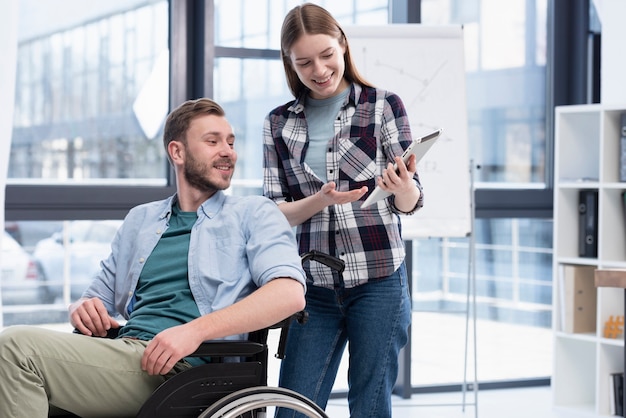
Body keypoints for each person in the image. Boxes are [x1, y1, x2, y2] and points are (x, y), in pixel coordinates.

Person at [0, 98, 307, 417]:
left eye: (230, 142)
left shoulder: (254, 213)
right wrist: (81, 308)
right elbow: (95, 298)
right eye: (212, 141)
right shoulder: (140, 220)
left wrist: (195, 330)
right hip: (128, 354)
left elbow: (289, 294)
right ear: (177, 152)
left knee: (15, 349)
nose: (228, 151)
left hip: (186, 371)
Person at [262, 4, 423, 417]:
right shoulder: (278, 123)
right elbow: (273, 213)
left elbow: (411, 202)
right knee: (291, 407)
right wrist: (320, 200)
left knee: (369, 405)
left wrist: (402, 187)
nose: (319, 69)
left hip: (379, 281)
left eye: (326, 54)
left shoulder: (384, 106)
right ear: (289, 63)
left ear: (343, 46)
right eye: (304, 62)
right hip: (312, 287)